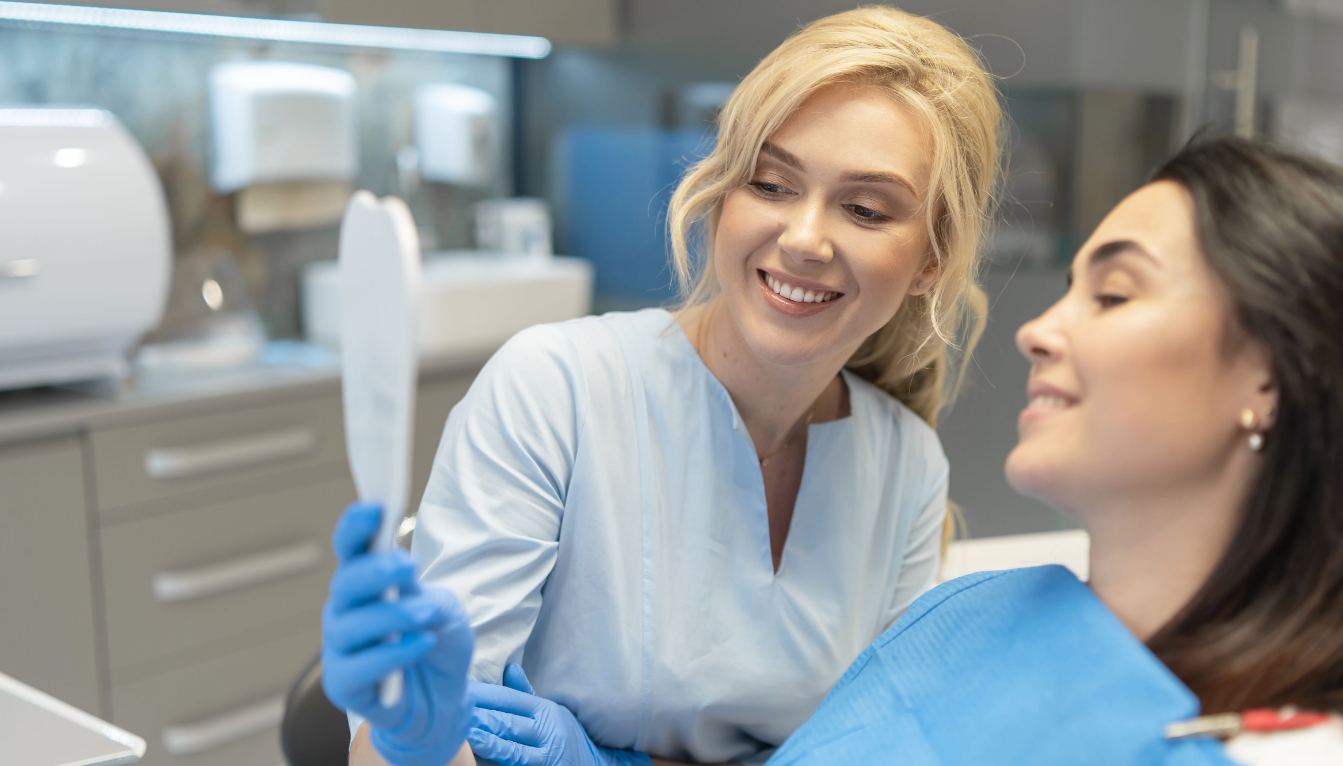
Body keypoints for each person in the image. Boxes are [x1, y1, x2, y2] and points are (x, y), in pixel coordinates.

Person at [326, 135, 1343, 765]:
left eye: (1111, 293)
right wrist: (420, 745)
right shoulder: (977, 612)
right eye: (768, 183)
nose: (1042, 327)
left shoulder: (1229, 740)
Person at [321, 6, 1005, 766]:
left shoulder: (906, 467)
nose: (805, 238)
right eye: (772, 184)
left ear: (931, 261)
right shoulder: (556, 391)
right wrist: (413, 741)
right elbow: (428, 737)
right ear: (722, 195)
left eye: (865, 209)